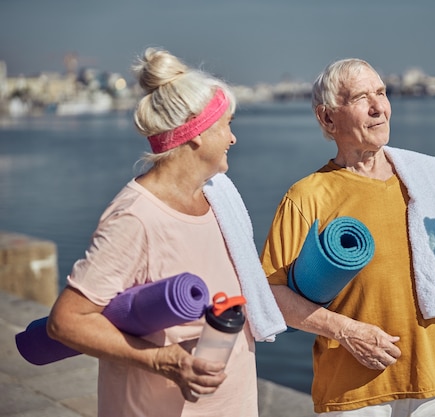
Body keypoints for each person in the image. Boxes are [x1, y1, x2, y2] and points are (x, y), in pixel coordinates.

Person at [260, 58, 435, 416]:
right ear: (327, 118)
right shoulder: (308, 195)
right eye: (362, 97)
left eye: (381, 92)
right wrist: (346, 332)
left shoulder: (424, 177)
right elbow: (269, 293)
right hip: (354, 394)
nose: (379, 107)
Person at [47, 47, 286, 417]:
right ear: (196, 134)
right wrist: (164, 362)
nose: (233, 139)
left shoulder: (217, 199)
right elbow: (67, 321)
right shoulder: (136, 217)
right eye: (227, 125)